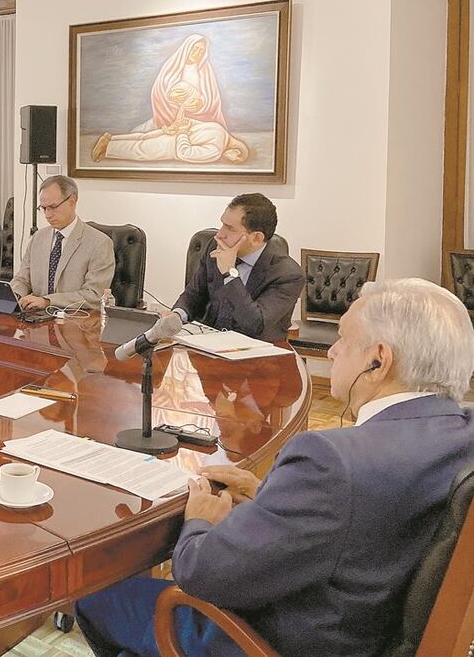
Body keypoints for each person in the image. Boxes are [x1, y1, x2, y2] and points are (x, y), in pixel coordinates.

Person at [76, 278, 474, 656]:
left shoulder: (331, 460)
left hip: (274, 641)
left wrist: (200, 520)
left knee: (97, 590)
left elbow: (203, 574)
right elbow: (362, 520)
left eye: (343, 340)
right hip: (369, 633)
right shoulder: (463, 435)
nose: (332, 352)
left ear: (378, 360)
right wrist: (273, 497)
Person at [169, 193, 304, 342]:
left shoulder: (289, 275)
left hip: (256, 354)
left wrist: (230, 274)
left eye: (230, 229)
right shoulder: (215, 248)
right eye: (222, 224)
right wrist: (177, 315)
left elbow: (255, 324)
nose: (219, 234)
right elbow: (194, 295)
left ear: (257, 238)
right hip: (207, 343)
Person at [9, 175, 115, 310]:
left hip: (76, 322)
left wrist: (48, 301)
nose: (48, 215)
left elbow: (94, 295)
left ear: (72, 201)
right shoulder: (38, 237)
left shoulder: (99, 243)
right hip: (36, 319)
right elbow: (23, 279)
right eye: (43, 208)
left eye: (53, 207)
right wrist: (13, 295)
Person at [91, 116, 249, 165]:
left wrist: (179, 126)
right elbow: (184, 152)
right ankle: (106, 149)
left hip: (174, 135)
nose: (232, 160)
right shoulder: (215, 150)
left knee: (142, 138)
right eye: (236, 159)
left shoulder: (218, 128)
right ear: (236, 151)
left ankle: (110, 139)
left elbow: (191, 122)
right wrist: (181, 131)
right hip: (172, 144)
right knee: (139, 150)